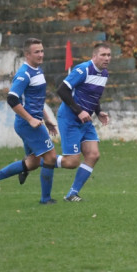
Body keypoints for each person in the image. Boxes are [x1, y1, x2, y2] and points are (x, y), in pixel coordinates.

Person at [0, 38, 59, 204]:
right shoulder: (24, 74)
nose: (41, 54)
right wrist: (30, 119)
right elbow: (12, 99)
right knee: (51, 157)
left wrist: (47, 119)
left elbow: (36, 100)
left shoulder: (37, 70)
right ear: (27, 54)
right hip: (28, 125)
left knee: (33, 162)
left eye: (42, 51)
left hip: (33, 123)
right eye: (36, 52)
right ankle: (45, 199)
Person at [54, 42, 113, 202]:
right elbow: (62, 90)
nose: (107, 58)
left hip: (85, 120)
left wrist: (98, 111)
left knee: (93, 155)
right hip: (70, 118)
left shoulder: (104, 74)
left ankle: (72, 194)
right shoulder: (83, 69)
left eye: (109, 55)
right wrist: (79, 111)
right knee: (72, 162)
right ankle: (38, 161)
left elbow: (94, 96)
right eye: (103, 55)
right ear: (94, 56)